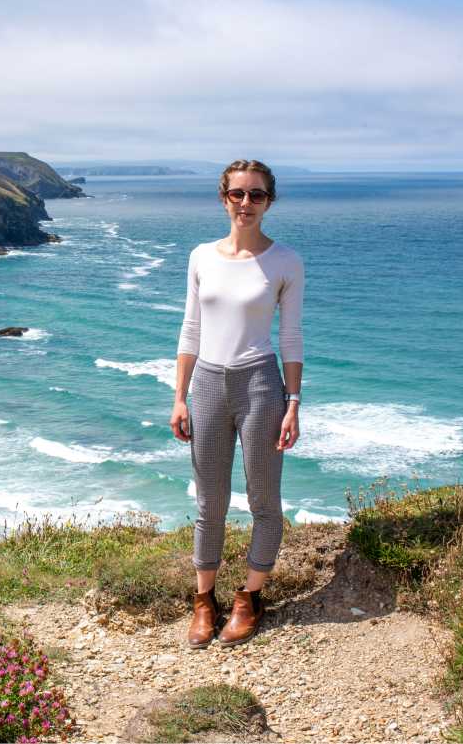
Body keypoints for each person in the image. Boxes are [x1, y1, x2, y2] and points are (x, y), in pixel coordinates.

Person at [170, 159, 304, 649]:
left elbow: (291, 336)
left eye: (256, 194)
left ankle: (249, 598)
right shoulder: (201, 256)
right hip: (207, 383)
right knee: (210, 501)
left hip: (261, 386)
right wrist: (179, 397)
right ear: (223, 198)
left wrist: (293, 402)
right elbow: (191, 329)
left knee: (264, 499)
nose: (246, 203)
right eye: (237, 194)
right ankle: (204, 601)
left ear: (269, 201)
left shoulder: (286, 261)